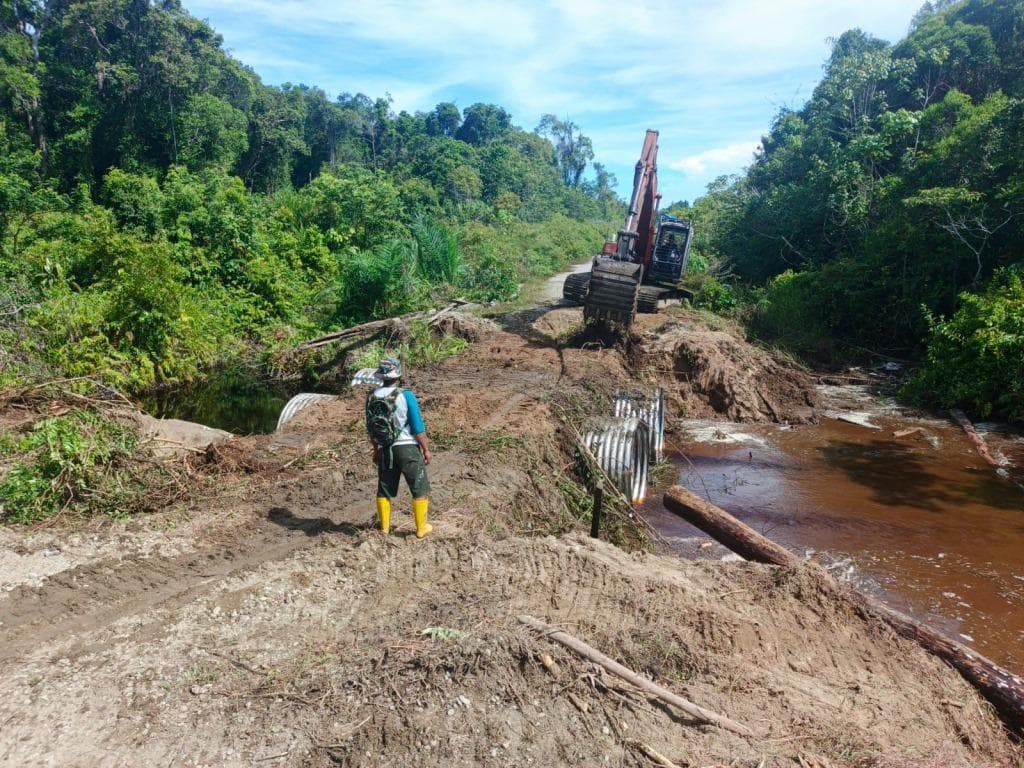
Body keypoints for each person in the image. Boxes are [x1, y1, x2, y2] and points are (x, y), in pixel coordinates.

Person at [365, 357, 433, 538]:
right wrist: (426, 449)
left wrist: (376, 449)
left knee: (384, 490)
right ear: (397, 375)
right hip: (407, 448)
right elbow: (417, 427)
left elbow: (370, 427)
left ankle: (384, 528)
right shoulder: (406, 395)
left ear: (381, 376)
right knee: (419, 487)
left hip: (385, 448)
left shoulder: (371, 396)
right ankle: (421, 528)